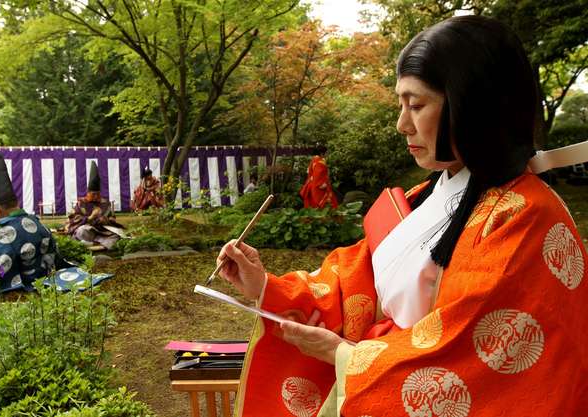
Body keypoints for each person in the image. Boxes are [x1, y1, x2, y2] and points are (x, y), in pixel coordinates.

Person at [215, 15, 588, 417]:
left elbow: (472, 355)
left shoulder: (527, 218)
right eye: (400, 104)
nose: (401, 123)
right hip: (374, 372)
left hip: (389, 382)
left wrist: (347, 357)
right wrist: (266, 285)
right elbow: (357, 277)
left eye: (417, 104)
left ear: (473, 106)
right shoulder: (426, 193)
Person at [0, 153, 58, 295]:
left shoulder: (2, 233)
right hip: (45, 280)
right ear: (17, 204)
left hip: (21, 286)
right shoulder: (39, 225)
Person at [64, 161, 124, 250]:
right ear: (88, 193)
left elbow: (112, 218)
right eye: (93, 194)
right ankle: (97, 245)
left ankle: (92, 245)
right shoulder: (82, 203)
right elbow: (73, 219)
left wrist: (105, 220)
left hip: (102, 231)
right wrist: (91, 217)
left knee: (117, 234)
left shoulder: (105, 203)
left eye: (97, 194)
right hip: (87, 230)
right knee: (81, 231)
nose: (96, 197)